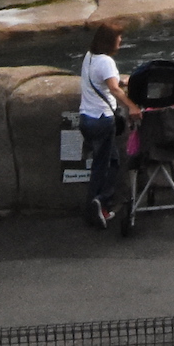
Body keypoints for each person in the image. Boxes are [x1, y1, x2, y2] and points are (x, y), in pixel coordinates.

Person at [76, 21, 132, 230]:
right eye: (118, 38)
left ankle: (101, 206)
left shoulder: (89, 58)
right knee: (102, 166)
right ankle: (97, 204)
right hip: (102, 120)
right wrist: (133, 107)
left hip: (86, 119)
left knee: (110, 162)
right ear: (110, 41)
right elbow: (114, 90)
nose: (120, 41)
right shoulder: (106, 61)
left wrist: (122, 81)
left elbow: (108, 83)